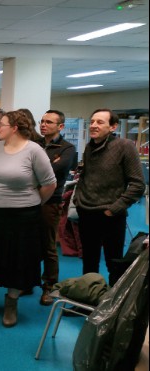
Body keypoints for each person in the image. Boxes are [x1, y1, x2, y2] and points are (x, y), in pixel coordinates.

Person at [0, 110, 56, 328]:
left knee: (17, 260)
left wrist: (33, 203)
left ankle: (11, 303)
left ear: (14, 128)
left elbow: (49, 184)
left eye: (1, 124)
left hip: (22, 216)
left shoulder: (34, 150)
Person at [74, 108, 145, 285]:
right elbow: (85, 177)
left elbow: (138, 185)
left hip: (110, 215)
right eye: (92, 122)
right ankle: (88, 295)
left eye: (99, 122)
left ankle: (112, 305)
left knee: (113, 262)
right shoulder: (90, 146)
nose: (93, 125)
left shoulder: (124, 146)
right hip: (87, 212)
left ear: (113, 127)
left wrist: (113, 210)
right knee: (89, 261)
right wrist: (78, 200)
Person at [36, 109, 76, 305]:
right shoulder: (34, 145)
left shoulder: (67, 148)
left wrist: (39, 167)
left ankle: (49, 286)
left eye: (49, 122)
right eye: (42, 121)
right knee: (28, 242)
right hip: (28, 200)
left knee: (48, 245)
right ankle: (28, 281)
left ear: (60, 126)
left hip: (50, 202)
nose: (43, 125)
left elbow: (54, 170)